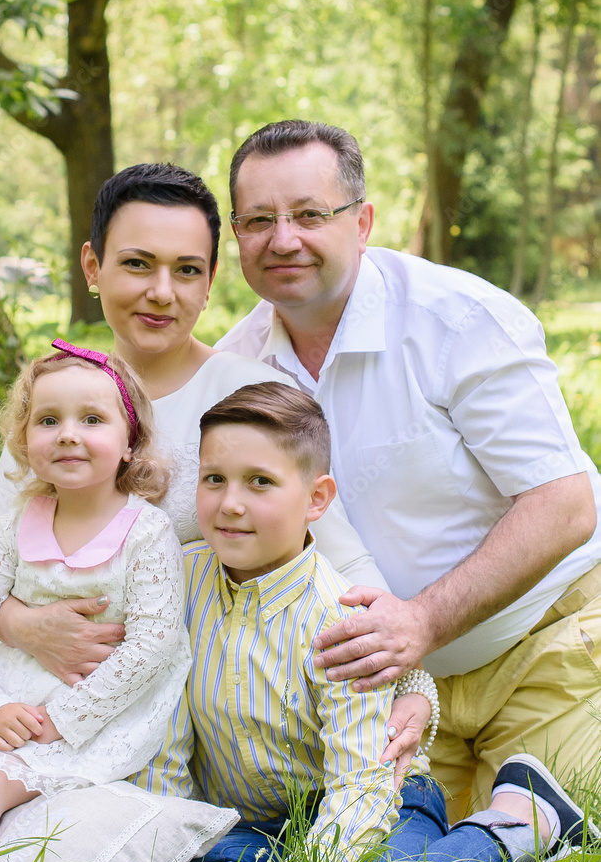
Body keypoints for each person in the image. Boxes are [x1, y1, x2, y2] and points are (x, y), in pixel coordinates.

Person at [0, 162, 430, 773]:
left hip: (215, 720)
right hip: (50, 704)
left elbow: (340, 560)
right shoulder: (63, 408)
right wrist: (24, 625)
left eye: (186, 270)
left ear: (211, 282)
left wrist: (412, 678)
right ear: (92, 267)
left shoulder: (246, 394)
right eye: (137, 264)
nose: (163, 292)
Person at [215, 119, 601, 820]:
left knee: (549, 852)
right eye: (258, 220)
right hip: (395, 687)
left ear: (360, 222)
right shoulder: (237, 371)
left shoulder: (457, 320)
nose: (282, 239)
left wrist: (421, 619)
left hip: (544, 644)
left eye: (309, 215)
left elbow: (565, 502)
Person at [137, 383, 598, 862]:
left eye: (260, 482)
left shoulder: (341, 620)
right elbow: (162, 732)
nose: (231, 503)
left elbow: (360, 793)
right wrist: (164, 840)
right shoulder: (178, 580)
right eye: (215, 479)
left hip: (382, 802)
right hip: (253, 824)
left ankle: (516, 821)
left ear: (316, 498)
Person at [0, 342, 191, 862]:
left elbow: (153, 645)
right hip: (8, 702)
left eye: (92, 419)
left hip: (94, 712)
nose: (69, 433)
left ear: (129, 443)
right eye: (48, 420)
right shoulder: (18, 522)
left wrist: (64, 718)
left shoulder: (145, 532)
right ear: (25, 442)